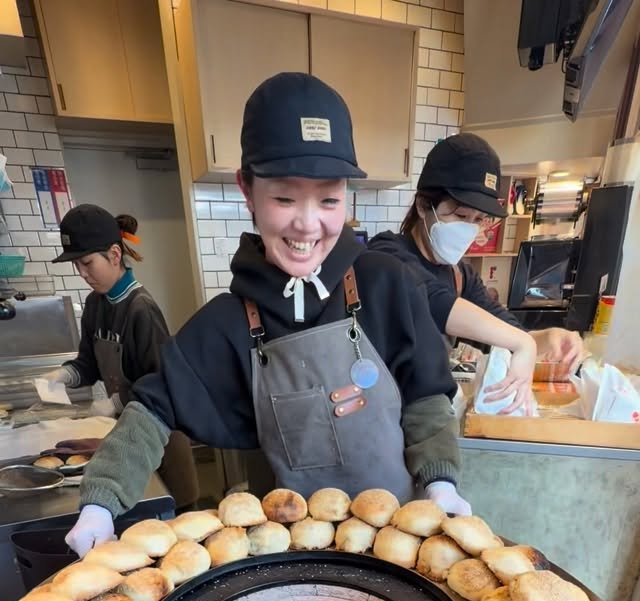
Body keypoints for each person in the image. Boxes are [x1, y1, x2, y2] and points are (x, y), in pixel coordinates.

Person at [66, 73, 473, 557]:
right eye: (284, 197)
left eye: (328, 198)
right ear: (247, 190)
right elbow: (150, 412)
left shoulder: (387, 285)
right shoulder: (227, 322)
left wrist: (441, 484)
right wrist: (100, 502)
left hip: (401, 548)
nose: (307, 223)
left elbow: (426, 400)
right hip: (287, 559)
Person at [370, 133, 584, 408]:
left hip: (426, 412)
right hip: (381, 416)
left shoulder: (459, 275)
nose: (469, 229)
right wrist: (522, 343)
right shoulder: (385, 254)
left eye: (479, 220)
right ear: (424, 205)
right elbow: (429, 300)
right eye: (460, 216)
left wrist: (547, 338)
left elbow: (506, 330)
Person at [48, 204, 199, 511]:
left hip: (161, 438)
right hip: (124, 435)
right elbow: (88, 364)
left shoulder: (140, 309)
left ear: (114, 255)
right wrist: (64, 375)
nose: (83, 274)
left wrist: (115, 402)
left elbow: (162, 382)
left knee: (174, 517)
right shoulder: (95, 304)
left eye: (88, 263)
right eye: (77, 265)